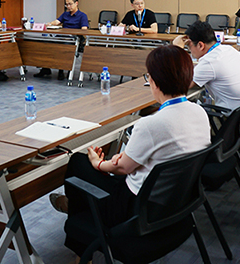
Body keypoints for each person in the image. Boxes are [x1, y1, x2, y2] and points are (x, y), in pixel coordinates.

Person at [48, 44, 211, 258]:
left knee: (79, 164)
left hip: (136, 210)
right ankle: (76, 215)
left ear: (154, 81)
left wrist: (98, 162)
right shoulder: (199, 112)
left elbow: (122, 169)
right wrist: (123, 159)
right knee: (93, 178)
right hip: (175, 202)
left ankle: (80, 241)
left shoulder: (151, 124)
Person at [173, 20, 240, 113]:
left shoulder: (209, 62)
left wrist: (177, 50)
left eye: (189, 46)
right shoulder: (228, 49)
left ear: (200, 45)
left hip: (234, 114)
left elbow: (181, 86)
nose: (190, 50)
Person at [36, 0, 89, 79]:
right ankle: (45, 68)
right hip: (61, 37)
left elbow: (84, 29)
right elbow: (56, 22)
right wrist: (48, 24)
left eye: (70, 4)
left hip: (73, 39)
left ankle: (61, 70)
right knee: (46, 43)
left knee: (63, 46)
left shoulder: (82, 16)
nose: (68, 7)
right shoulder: (65, 14)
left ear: (76, 3)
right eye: (66, 4)